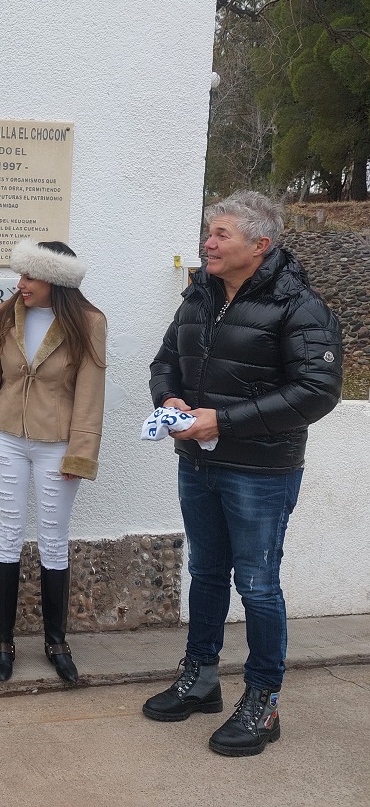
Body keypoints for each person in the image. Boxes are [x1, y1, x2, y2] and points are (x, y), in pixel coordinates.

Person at [144, 191, 341, 757]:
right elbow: (164, 361)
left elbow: (316, 390)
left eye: (221, 233)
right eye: (209, 232)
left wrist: (221, 422)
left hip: (260, 471)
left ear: (260, 245)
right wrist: (171, 399)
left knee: (257, 585)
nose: (208, 242)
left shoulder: (299, 306)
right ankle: (201, 677)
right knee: (206, 574)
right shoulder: (199, 297)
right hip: (199, 463)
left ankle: (263, 701)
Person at [0, 239, 107, 684]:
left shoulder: (88, 322)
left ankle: (56, 641)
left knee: (53, 540)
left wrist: (80, 453)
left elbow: (90, 392)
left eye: (29, 276)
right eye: (20, 275)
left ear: (56, 281)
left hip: (57, 445)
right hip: (6, 439)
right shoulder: (5, 316)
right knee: (6, 535)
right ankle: (2, 641)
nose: (20, 284)